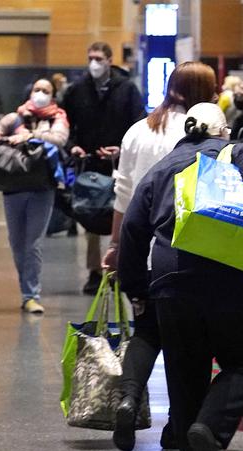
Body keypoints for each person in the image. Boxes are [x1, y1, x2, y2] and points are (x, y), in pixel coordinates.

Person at [118, 103, 243, 451]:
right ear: (222, 130)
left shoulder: (161, 169)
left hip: (172, 278)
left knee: (185, 367)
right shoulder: (235, 152)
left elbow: (132, 229)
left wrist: (137, 287)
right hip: (235, 276)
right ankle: (209, 429)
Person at [101, 62, 219, 451]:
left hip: (143, 249)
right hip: (191, 252)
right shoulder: (204, 135)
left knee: (148, 330)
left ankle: (128, 399)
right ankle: (179, 427)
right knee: (192, 342)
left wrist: (116, 246)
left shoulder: (139, 130)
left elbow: (123, 195)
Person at [61, 41, 145, 295]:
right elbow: (65, 124)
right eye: (90, 58)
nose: (94, 63)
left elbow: (138, 123)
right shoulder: (77, 90)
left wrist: (122, 149)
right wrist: (72, 146)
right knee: (91, 218)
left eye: (98, 58)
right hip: (89, 162)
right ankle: (94, 272)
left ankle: (119, 267)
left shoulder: (127, 89)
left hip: (120, 163)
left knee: (121, 216)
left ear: (109, 60)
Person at [0, 78, 69, 314]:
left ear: (52, 95)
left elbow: (59, 139)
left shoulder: (57, 118)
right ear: (29, 91)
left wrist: (30, 136)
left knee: (33, 243)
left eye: (46, 90)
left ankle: (31, 294)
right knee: (16, 242)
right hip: (14, 187)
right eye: (37, 89)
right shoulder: (15, 117)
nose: (40, 93)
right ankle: (27, 289)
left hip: (42, 187)